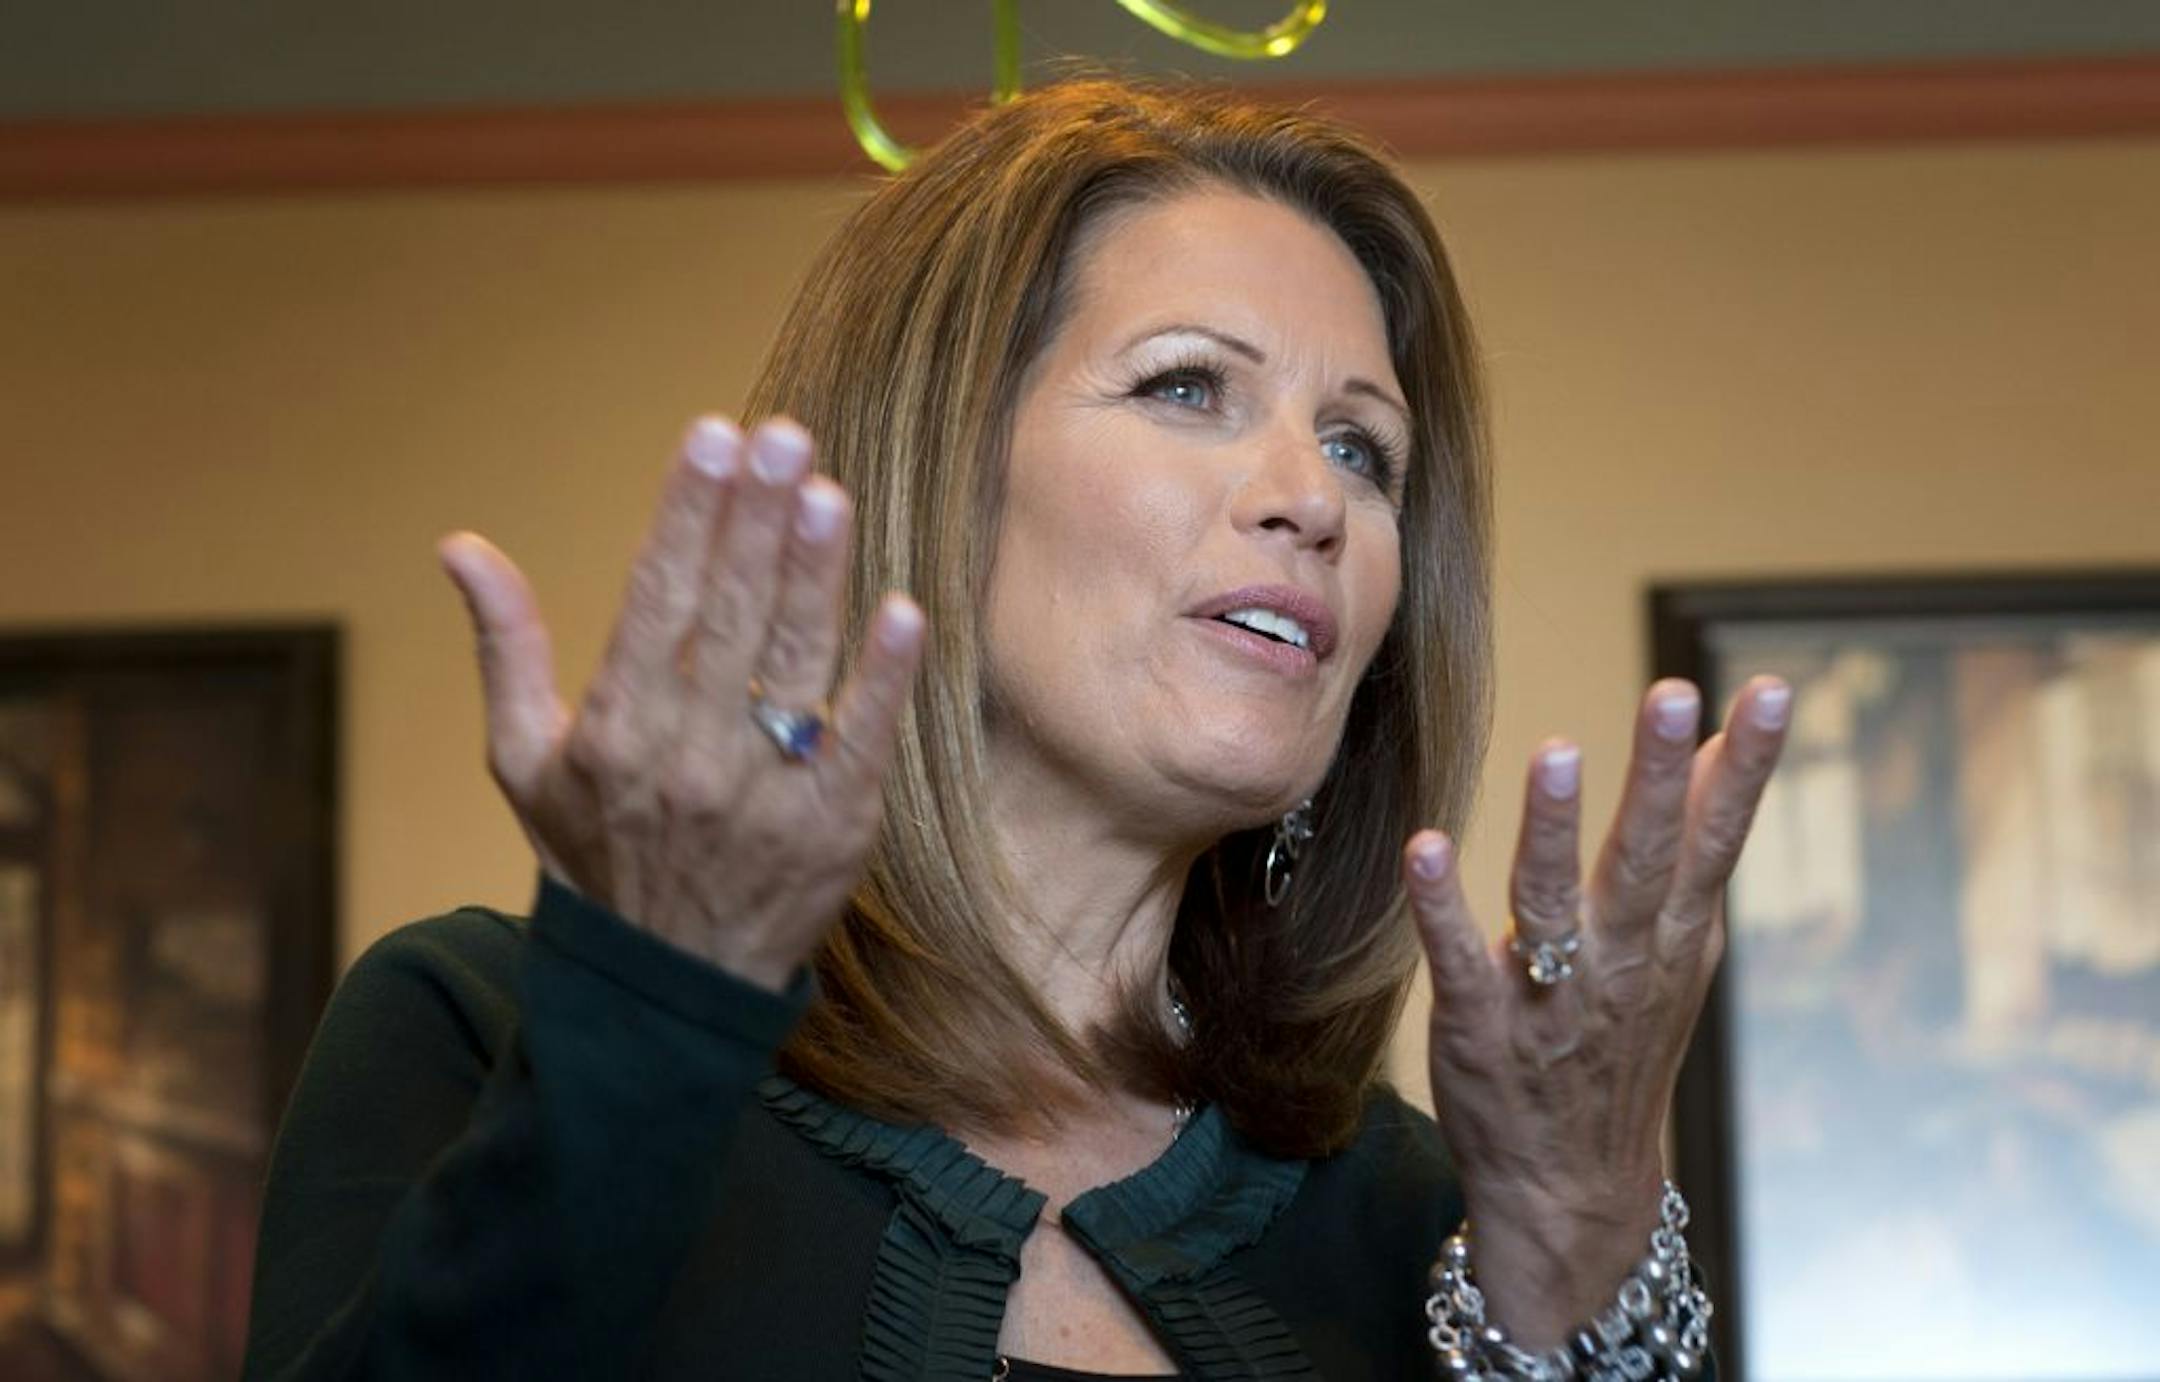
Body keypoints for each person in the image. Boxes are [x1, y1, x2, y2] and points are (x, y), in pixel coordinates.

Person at [240, 78, 1788, 1381]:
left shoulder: (1410, 1213)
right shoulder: (477, 1028)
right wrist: (642, 1024)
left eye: (1363, 451)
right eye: (1190, 386)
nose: (1312, 498)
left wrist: (1578, 1239)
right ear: (938, 473)